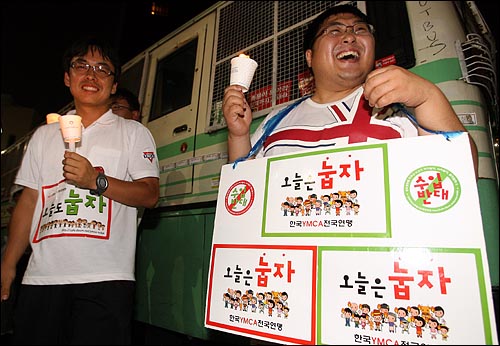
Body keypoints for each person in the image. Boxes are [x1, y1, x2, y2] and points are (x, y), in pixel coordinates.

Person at [0, 36, 160, 345]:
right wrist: (8, 264)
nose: (91, 74)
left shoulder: (133, 132)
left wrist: (96, 181)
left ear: (114, 86)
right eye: (81, 66)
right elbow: (30, 201)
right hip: (41, 278)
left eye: (103, 68)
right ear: (67, 77)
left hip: (106, 279)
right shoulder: (43, 136)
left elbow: (149, 194)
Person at [222, 4, 478, 175]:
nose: (350, 37)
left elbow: (461, 176)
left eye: (360, 30)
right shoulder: (275, 121)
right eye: (334, 30)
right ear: (309, 57)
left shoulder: (399, 106)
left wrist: (428, 97)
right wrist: (238, 136)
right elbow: (243, 191)